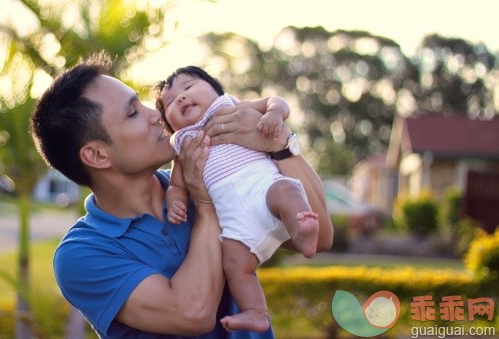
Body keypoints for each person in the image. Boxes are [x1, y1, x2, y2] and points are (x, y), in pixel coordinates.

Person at [30, 51, 333, 338]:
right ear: (97, 155)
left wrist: (279, 144)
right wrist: (203, 202)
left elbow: (320, 237)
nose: (156, 116)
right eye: (133, 113)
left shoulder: (212, 176)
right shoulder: (81, 255)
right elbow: (192, 313)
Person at [155, 66, 320, 332]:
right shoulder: (182, 146)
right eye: (171, 102)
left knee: (288, 190)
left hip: (264, 191)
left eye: (187, 88)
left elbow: (273, 101)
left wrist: (275, 114)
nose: (181, 98)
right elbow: (177, 185)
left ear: (217, 91)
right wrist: (176, 201)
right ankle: (256, 312)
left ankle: (302, 233)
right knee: (235, 265)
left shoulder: (231, 107)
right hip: (236, 222)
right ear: (169, 123)